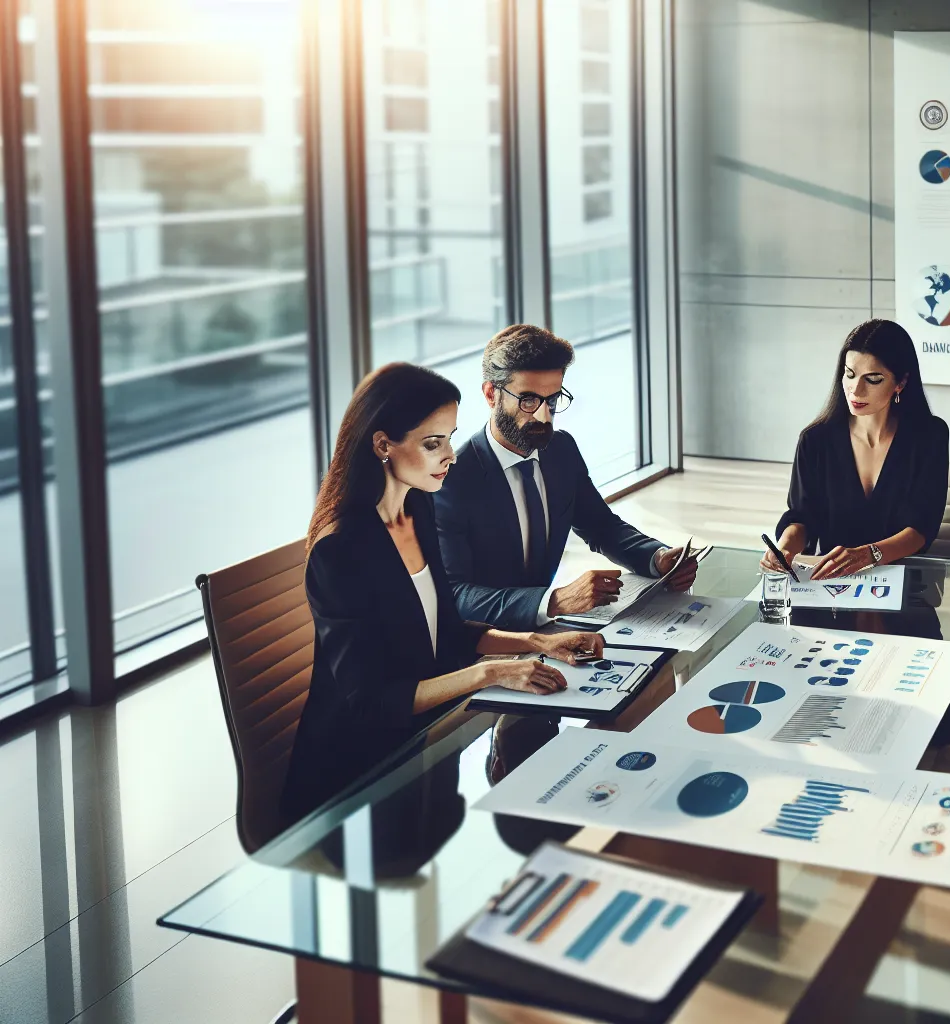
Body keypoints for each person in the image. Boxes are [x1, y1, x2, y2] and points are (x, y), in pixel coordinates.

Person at [285, 362, 604, 820]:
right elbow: (371, 702)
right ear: (382, 445)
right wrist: (490, 673)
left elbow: (445, 630)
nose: (450, 455)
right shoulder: (341, 550)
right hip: (356, 783)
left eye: (450, 437)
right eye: (433, 444)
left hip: (430, 752)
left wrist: (538, 642)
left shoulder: (418, 508)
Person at [436, 324, 699, 630]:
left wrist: (657, 557)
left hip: (551, 629)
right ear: (491, 394)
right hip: (484, 643)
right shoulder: (451, 480)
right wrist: (555, 601)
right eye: (528, 401)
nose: (544, 417)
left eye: (552, 400)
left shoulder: (561, 449)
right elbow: (456, 595)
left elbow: (601, 526)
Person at [762, 319, 950, 580]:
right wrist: (784, 548)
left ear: (901, 383)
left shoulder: (930, 436)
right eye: (849, 374)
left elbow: (922, 528)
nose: (856, 390)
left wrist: (869, 554)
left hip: (906, 584)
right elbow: (802, 517)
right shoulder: (815, 440)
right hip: (832, 585)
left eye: (872, 379)